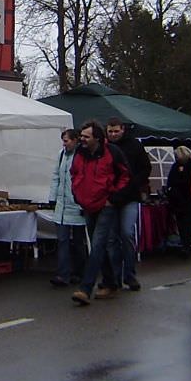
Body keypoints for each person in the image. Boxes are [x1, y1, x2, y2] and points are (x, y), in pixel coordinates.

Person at [69, 121, 129, 305]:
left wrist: (114, 198)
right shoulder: (80, 153)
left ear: (97, 138)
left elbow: (125, 176)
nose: (82, 139)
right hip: (87, 204)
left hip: (106, 204)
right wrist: (77, 193)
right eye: (82, 136)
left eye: (86, 136)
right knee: (98, 246)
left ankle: (85, 288)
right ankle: (111, 282)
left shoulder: (113, 153)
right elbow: (74, 173)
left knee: (97, 245)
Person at [106, 119, 150, 290]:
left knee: (127, 233)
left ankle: (129, 274)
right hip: (111, 197)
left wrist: (134, 184)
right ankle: (115, 276)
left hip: (130, 196)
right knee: (112, 239)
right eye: (110, 131)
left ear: (122, 130)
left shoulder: (134, 146)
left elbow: (145, 168)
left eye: (116, 131)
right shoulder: (105, 148)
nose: (113, 134)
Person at [46, 129, 86, 288]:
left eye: (67, 140)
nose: (64, 144)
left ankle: (79, 272)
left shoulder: (81, 155)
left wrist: (83, 203)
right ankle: (63, 274)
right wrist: (52, 197)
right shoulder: (61, 154)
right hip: (62, 206)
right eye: (63, 141)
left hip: (76, 204)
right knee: (62, 240)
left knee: (78, 242)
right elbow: (56, 176)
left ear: (75, 140)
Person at [165, 145, 191, 249]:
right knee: (186, 224)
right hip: (185, 200)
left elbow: (171, 181)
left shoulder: (179, 167)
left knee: (184, 224)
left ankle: (185, 243)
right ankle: (185, 243)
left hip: (182, 200)